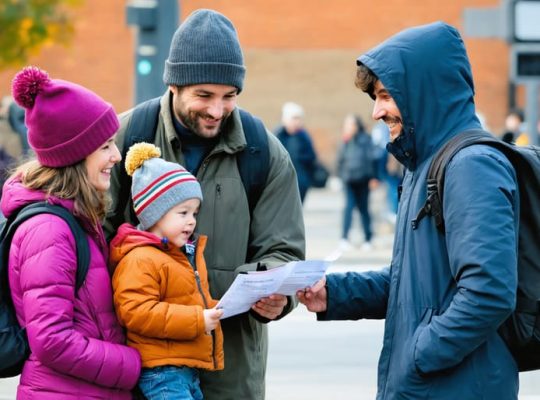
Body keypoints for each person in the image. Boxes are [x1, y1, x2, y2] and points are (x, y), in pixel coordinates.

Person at [298, 22, 519, 399]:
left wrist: (420, 354)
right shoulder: (425, 164)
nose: (376, 111)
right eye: (375, 97)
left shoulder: (470, 166)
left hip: (458, 387)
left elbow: (490, 292)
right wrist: (333, 294)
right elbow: (414, 282)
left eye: (386, 95)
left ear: (425, 93)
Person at [103, 9, 305, 400]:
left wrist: (278, 294)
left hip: (232, 367)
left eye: (229, 96)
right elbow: (94, 239)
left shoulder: (263, 151)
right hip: (143, 367)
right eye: (204, 96)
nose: (217, 110)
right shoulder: (126, 135)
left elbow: (284, 249)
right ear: (174, 85)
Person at [2, 66, 141, 398]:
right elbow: (52, 340)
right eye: (106, 145)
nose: (116, 155)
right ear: (76, 154)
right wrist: (134, 364)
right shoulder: (49, 229)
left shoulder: (73, 216)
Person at [110, 142, 224, 400]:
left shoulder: (181, 254)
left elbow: (186, 299)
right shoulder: (140, 258)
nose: (191, 220)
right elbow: (136, 311)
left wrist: (217, 308)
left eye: (194, 212)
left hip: (185, 368)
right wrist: (198, 320)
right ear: (154, 215)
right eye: (182, 212)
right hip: (162, 371)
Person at [336, 113, 377, 251]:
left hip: (363, 180)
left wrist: (373, 177)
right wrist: (340, 176)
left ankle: (368, 238)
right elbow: (340, 160)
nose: (348, 127)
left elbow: (371, 159)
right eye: (346, 124)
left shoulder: (365, 140)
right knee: (348, 209)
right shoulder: (345, 141)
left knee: (364, 209)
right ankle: (344, 238)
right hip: (349, 180)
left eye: (351, 124)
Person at [274, 101, 318, 203]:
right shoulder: (278, 135)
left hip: (301, 182)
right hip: (281, 182)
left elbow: (312, 157)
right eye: (294, 118)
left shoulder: (304, 136)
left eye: (299, 118)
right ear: (285, 119)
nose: (297, 122)